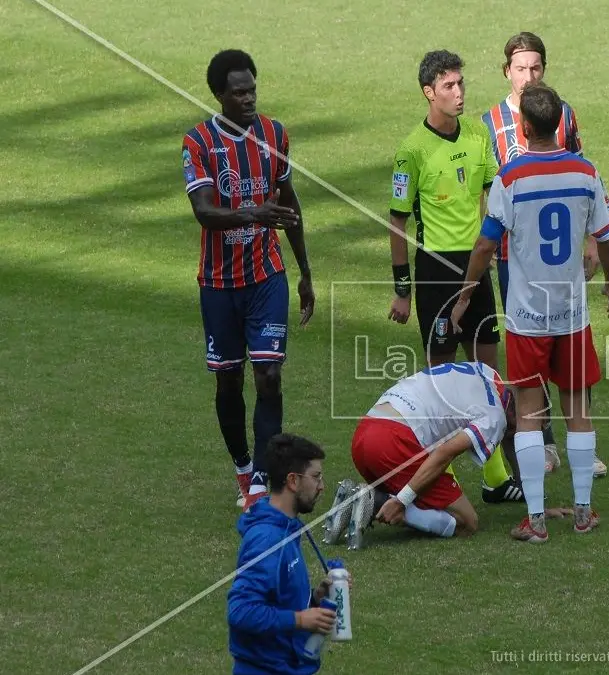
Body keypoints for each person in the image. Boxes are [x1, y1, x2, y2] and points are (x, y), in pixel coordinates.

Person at [453, 82, 609, 543]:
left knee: (528, 413)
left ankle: (537, 519)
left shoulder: (511, 177)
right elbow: (605, 238)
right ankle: (583, 513)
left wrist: (466, 293)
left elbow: (485, 244)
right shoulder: (586, 172)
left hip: (527, 319)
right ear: (560, 123)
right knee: (577, 410)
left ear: (524, 127)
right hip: (572, 316)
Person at [481, 32, 609, 479]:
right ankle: (543, 441)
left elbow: (585, 175)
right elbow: (487, 187)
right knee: (531, 347)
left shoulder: (563, 113)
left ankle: (580, 442)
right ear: (506, 71)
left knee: (571, 340)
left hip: (561, 259)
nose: (529, 76)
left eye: (536, 67)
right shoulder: (488, 123)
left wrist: (592, 239)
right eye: (521, 68)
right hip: (514, 256)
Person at [385, 50, 523, 506]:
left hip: (476, 268)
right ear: (429, 92)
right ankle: (437, 484)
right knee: (443, 388)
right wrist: (402, 289)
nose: (459, 92)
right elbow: (397, 222)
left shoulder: (478, 135)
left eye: (461, 83)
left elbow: (493, 197)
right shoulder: (412, 151)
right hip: (435, 273)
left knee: (490, 380)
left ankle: (497, 478)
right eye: (449, 86)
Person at [183, 49, 315, 512]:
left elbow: (289, 204)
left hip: (266, 277)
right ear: (219, 95)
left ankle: (261, 478)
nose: (249, 99)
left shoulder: (275, 135)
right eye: (239, 93)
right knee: (228, 381)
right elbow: (204, 211)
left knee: (269, 376)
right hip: (219, 284)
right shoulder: (199, 143)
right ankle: (243, 468)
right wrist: (253, 213)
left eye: (252, 90)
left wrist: (305, 272)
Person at [325, 361, 570, 549]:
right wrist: (402, 500)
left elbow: (509, 440)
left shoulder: (489, 373)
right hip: (394, 441)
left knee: (424, 495)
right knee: (467, 521)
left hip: (364, 433)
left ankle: (365, 499)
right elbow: (444, 453)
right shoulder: (494, 417)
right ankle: (375, 501)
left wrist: (536, 508)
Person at [228, 433, 346, 675]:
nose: (321, 486)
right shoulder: (267, 540)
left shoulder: (288, 527)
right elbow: (240, 611)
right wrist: (300, 620)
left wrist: (316, 597)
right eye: (316, 477)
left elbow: (280, 599)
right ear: (293, 480)